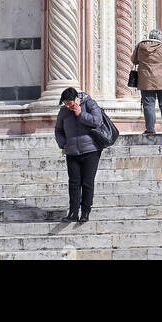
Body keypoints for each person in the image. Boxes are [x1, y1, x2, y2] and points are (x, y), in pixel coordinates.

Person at [54, 85, 105, 222]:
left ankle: (85, 212)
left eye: (69, 103)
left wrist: (80, 114)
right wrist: (62, 143)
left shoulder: (90, 104)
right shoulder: (63, 111)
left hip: (91, 150)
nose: (68, 106)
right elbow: (58, 130)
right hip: (72, 152)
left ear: (76, 99)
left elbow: (97, 121)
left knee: (87, 182)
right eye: (65, 104)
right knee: (74, 183)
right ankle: (73, 212)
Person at [131, 27, 162, 136]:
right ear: (161, 38)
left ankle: (150, 129)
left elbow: (134, 61)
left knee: (148, 105)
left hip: (146, 81)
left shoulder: (140, 46)